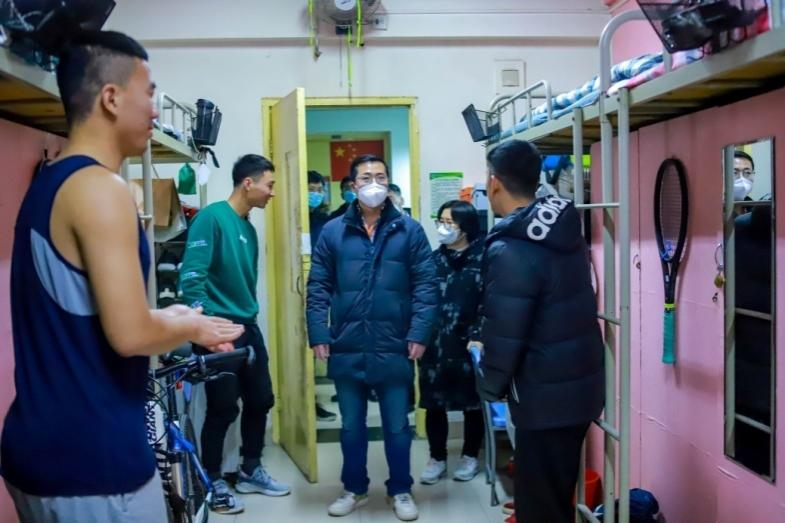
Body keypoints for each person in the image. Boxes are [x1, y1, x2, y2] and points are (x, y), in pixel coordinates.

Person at [0, 31, 244, 523]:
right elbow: (130, 334)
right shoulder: (101, 189)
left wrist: (173, 316)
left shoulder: (53, 182)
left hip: (44, 444)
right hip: (89, 461)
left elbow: (92, 314)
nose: (156, 110)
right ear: (111, 98)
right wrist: (190, 325)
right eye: (149, 92)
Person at [476, 139, 604, 523]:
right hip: (578, 387)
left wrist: (489, 385)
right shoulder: (560, 225)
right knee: (554, 498)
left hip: (545, 394)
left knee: (539, 508)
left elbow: (505, 331)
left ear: (494, 182)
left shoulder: (512, 248)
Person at [306, 154, 438, 521]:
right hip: (347, 341)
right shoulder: (333, 231)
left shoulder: (409, 230)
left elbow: (427, 285)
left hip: (394, 341)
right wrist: (318, 332)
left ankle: (400, 489)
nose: (374, 183)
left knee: (397, 425)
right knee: (351, 426)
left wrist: (419, 332)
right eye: (366, 178)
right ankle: (354, 488)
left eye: (380, 176)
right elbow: (318, 287)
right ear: (353, 186)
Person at [179, 154, 291, 514]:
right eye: (269, 185)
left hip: (247, 326)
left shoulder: (248, 229)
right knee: (223, 407)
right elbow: (191, 278)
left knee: (261, 399)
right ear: (248, 183)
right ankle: (211, 480)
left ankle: (250, 469)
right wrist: (208, 330)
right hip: (217, 327)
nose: (272, 192)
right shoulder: (211, 218)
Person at [418, 200, 485, 485]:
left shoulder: (484, 259)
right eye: (440, 221)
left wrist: (479, 335)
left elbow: (490, 302)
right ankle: (437, 458)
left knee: (473, 404)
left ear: (466, 226)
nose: (443, 228)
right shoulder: (432, 261)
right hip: (435, 343)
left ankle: (470, 456)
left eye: (450, 223)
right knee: (434, 404)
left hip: (470, 344)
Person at [307, 169, 338, 422]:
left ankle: (314, 401)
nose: (315, 195)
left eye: (319, 190)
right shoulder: (294, 218)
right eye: (311, 190)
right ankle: (307, 403)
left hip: (322, 287)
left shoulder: (325, 222)